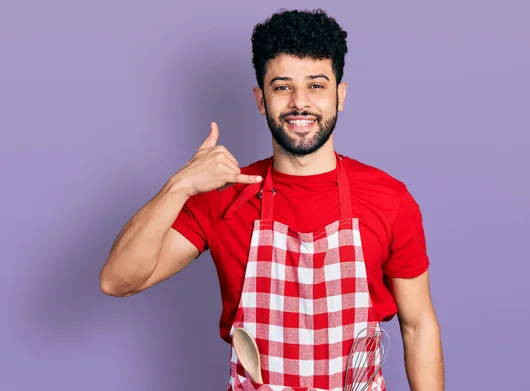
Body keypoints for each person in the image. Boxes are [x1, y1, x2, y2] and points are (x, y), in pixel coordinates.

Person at [100, 8, 444, 391]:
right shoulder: (222, 197)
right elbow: (118, 281)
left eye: (316, 85)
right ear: (261, 100)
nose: (300, 102)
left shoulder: (388, 199)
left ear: (340, 96)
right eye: (282, 87)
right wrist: (178, 185)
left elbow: (418, 325)